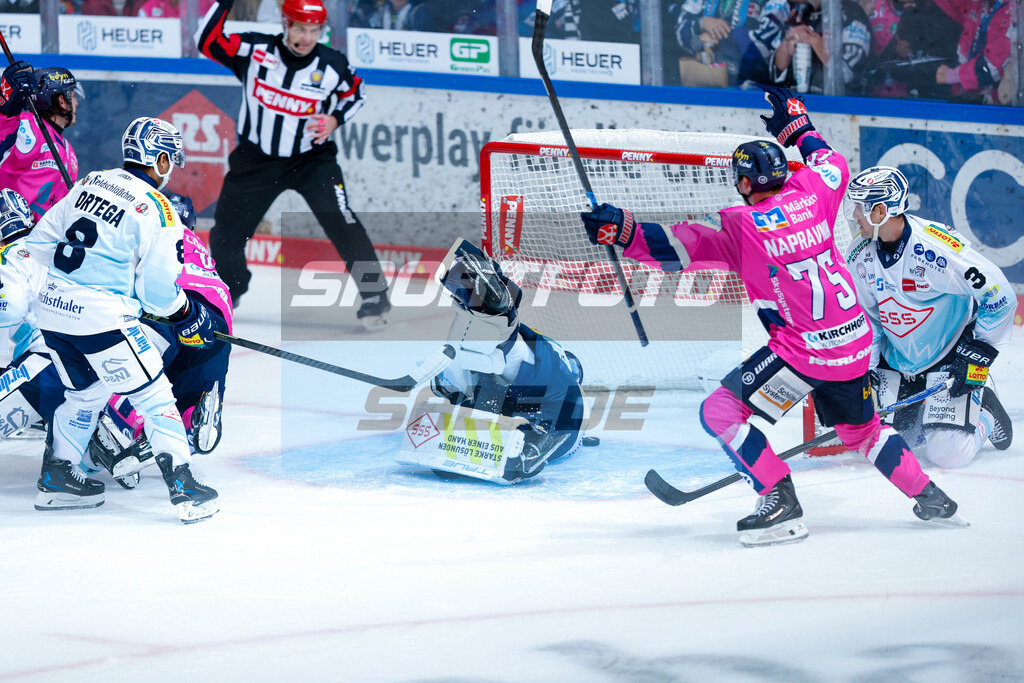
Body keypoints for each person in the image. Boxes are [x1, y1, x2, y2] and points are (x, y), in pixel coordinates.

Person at [580, 86, 961, 546]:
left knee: (720, 411)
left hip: (805, 354)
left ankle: (779, 500)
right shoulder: (814, 191)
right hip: (855, 344)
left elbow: (675, 247)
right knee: (862, 431)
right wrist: (799, 127)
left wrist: (621, 230)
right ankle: (930, 496)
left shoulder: (741, 226)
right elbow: (831, 163)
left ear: (744, 184)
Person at [25, 117, 220, 524]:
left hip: (53, 311)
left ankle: (58, 479)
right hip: (103, 321)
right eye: (170, 160)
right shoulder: (160, 210)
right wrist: (189, 314)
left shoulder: (90, 182)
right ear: (160, 160)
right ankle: (185, 488)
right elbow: (158, 294)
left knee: (85, 395)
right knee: (156, 397)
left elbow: (40, 243)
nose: (171, 169)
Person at [196, 0, 391, 328]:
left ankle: (375, 295)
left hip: (312, 161)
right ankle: (231, 288)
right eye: (300, 29)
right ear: (285, 24)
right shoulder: (255, 50)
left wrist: (335, 119)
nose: (307, 38)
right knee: (226, 236)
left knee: (343, 222)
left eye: (315, 30)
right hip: (255, 162)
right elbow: (207, 41)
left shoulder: (332, 64)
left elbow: (356, 94)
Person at [845, 166, 1014, 468]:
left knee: (947, 455)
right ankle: (926, 409)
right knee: (885, 445)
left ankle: (985, 412)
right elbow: (867, 318)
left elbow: (999, 293)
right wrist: (865, 370)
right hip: (898, 361)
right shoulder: (859, 254)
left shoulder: (937, 250)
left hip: (948, 357)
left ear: (881, 211)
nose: (855, 215)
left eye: (861, 207)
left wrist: (978, 354)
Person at [89, 192, 232, 489]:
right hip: (215, 324)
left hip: (168, 309)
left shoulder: (150, 233)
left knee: (134, 373)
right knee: (194, 383)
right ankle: (192, 419)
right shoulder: (201, 252)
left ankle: (127, 424)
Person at [417, 241, 587, 484]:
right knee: (496, 361)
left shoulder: (554, 366)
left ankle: (511, 436)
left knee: (490, 371)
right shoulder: (557, 369)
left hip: (526, 393)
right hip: (526, 388)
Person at [0, 63, 81, 219]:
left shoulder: (68, 150)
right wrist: (5, 110)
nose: (76, 102)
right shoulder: (28, 125)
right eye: (72, 96)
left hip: (41, 234)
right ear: (62, 101)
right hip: (10, 228)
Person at [768, 0, 874, 95]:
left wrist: (815, 41)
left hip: (836, 106)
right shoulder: (797, 12)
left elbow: (848, 75)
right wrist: (787, 40)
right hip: (793, 103)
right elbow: (774, 74)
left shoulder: (851, 13)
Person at [932, 0, 1013, 104]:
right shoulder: (979, 4)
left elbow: (992, 66)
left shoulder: (1015, 13)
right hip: (964, 97)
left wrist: (952, 75)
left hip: (997, 107)